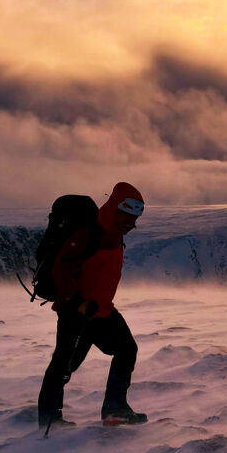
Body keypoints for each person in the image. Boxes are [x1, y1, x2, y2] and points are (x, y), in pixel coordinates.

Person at [37, 182, 148, 429]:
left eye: (134, 219)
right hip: (76, 311)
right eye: (128, 217)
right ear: (116, 209)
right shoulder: (89, 232)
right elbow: (61, 269)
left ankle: (115, 409)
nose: (131, 224)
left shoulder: (115, 234)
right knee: (65, 364)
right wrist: (78, 303)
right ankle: (49, 419)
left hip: (100, 310)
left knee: (126, 349)